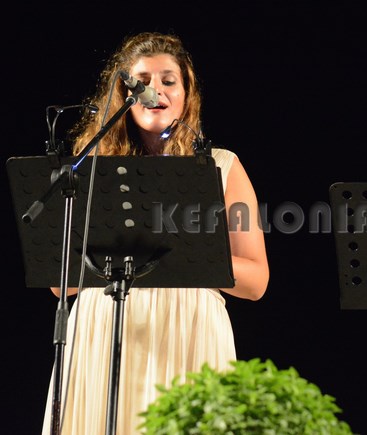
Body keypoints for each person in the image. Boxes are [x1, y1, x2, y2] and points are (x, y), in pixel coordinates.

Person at [41, 31, 270, 434]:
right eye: (142, 81)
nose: (155, 90)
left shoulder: (222, 166)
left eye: (169, 80)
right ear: (123, 95)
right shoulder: (89, 167)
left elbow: (256, 282)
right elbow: (61, 286)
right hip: (104, 327)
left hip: (188, 331)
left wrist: (188, 253)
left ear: (187, 95)